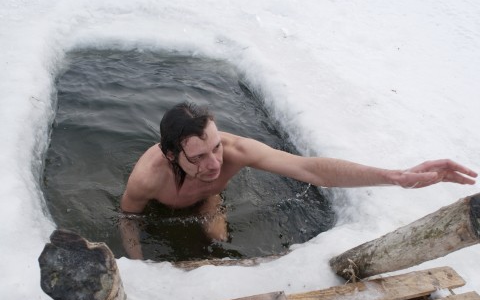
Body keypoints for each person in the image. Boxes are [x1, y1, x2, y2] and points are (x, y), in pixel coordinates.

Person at [120, 102, 477, 259]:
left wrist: (393, 176)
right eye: (198, 157)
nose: (215, 163)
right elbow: (128, 218)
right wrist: (137, 267)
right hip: (160, 207)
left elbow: (309, 169)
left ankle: (212, 218)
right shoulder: (147, 178)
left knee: (219, 244)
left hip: (209, 201)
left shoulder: (236, 150)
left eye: (216, 147)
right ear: (171, 156)